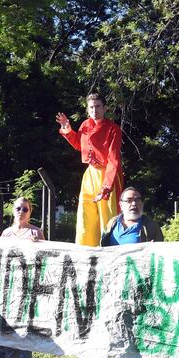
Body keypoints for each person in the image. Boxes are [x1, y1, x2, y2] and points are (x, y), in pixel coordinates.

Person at [99, 187, 163, 358]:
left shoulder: (150, 226)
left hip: (140, 289)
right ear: (121, 204)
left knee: (140, 333)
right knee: (112, 329)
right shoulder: (112, 224)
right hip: (114, 287)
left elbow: (163, 255)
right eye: (129, 200)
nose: (134, 203)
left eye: (138, 199)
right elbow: (102, 252)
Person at [56, 93, 123, 247]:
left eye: (98, 106)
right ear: (88, 109)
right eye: (91, 107)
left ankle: (110, 248)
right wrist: (67, 130)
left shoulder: (113, 129)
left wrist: (107, 186)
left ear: (105, 108)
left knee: (108, 214)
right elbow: (79, 145)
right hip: (90, 174)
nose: (95, 110)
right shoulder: (85, 125)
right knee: (86, 214)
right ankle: (85, 249)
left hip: (107, 174)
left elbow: (114, 159)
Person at [0, 197, 44, 358]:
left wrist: (38, 244)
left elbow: (44, 259)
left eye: (25, 208)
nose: (21, 211)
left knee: (25, 327)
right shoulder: (6, 233)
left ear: (30, 212)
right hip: (9, 286)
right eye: (18, 208)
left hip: (28, 286)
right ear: (13, 211)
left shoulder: (36, 232)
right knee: (8, 325)